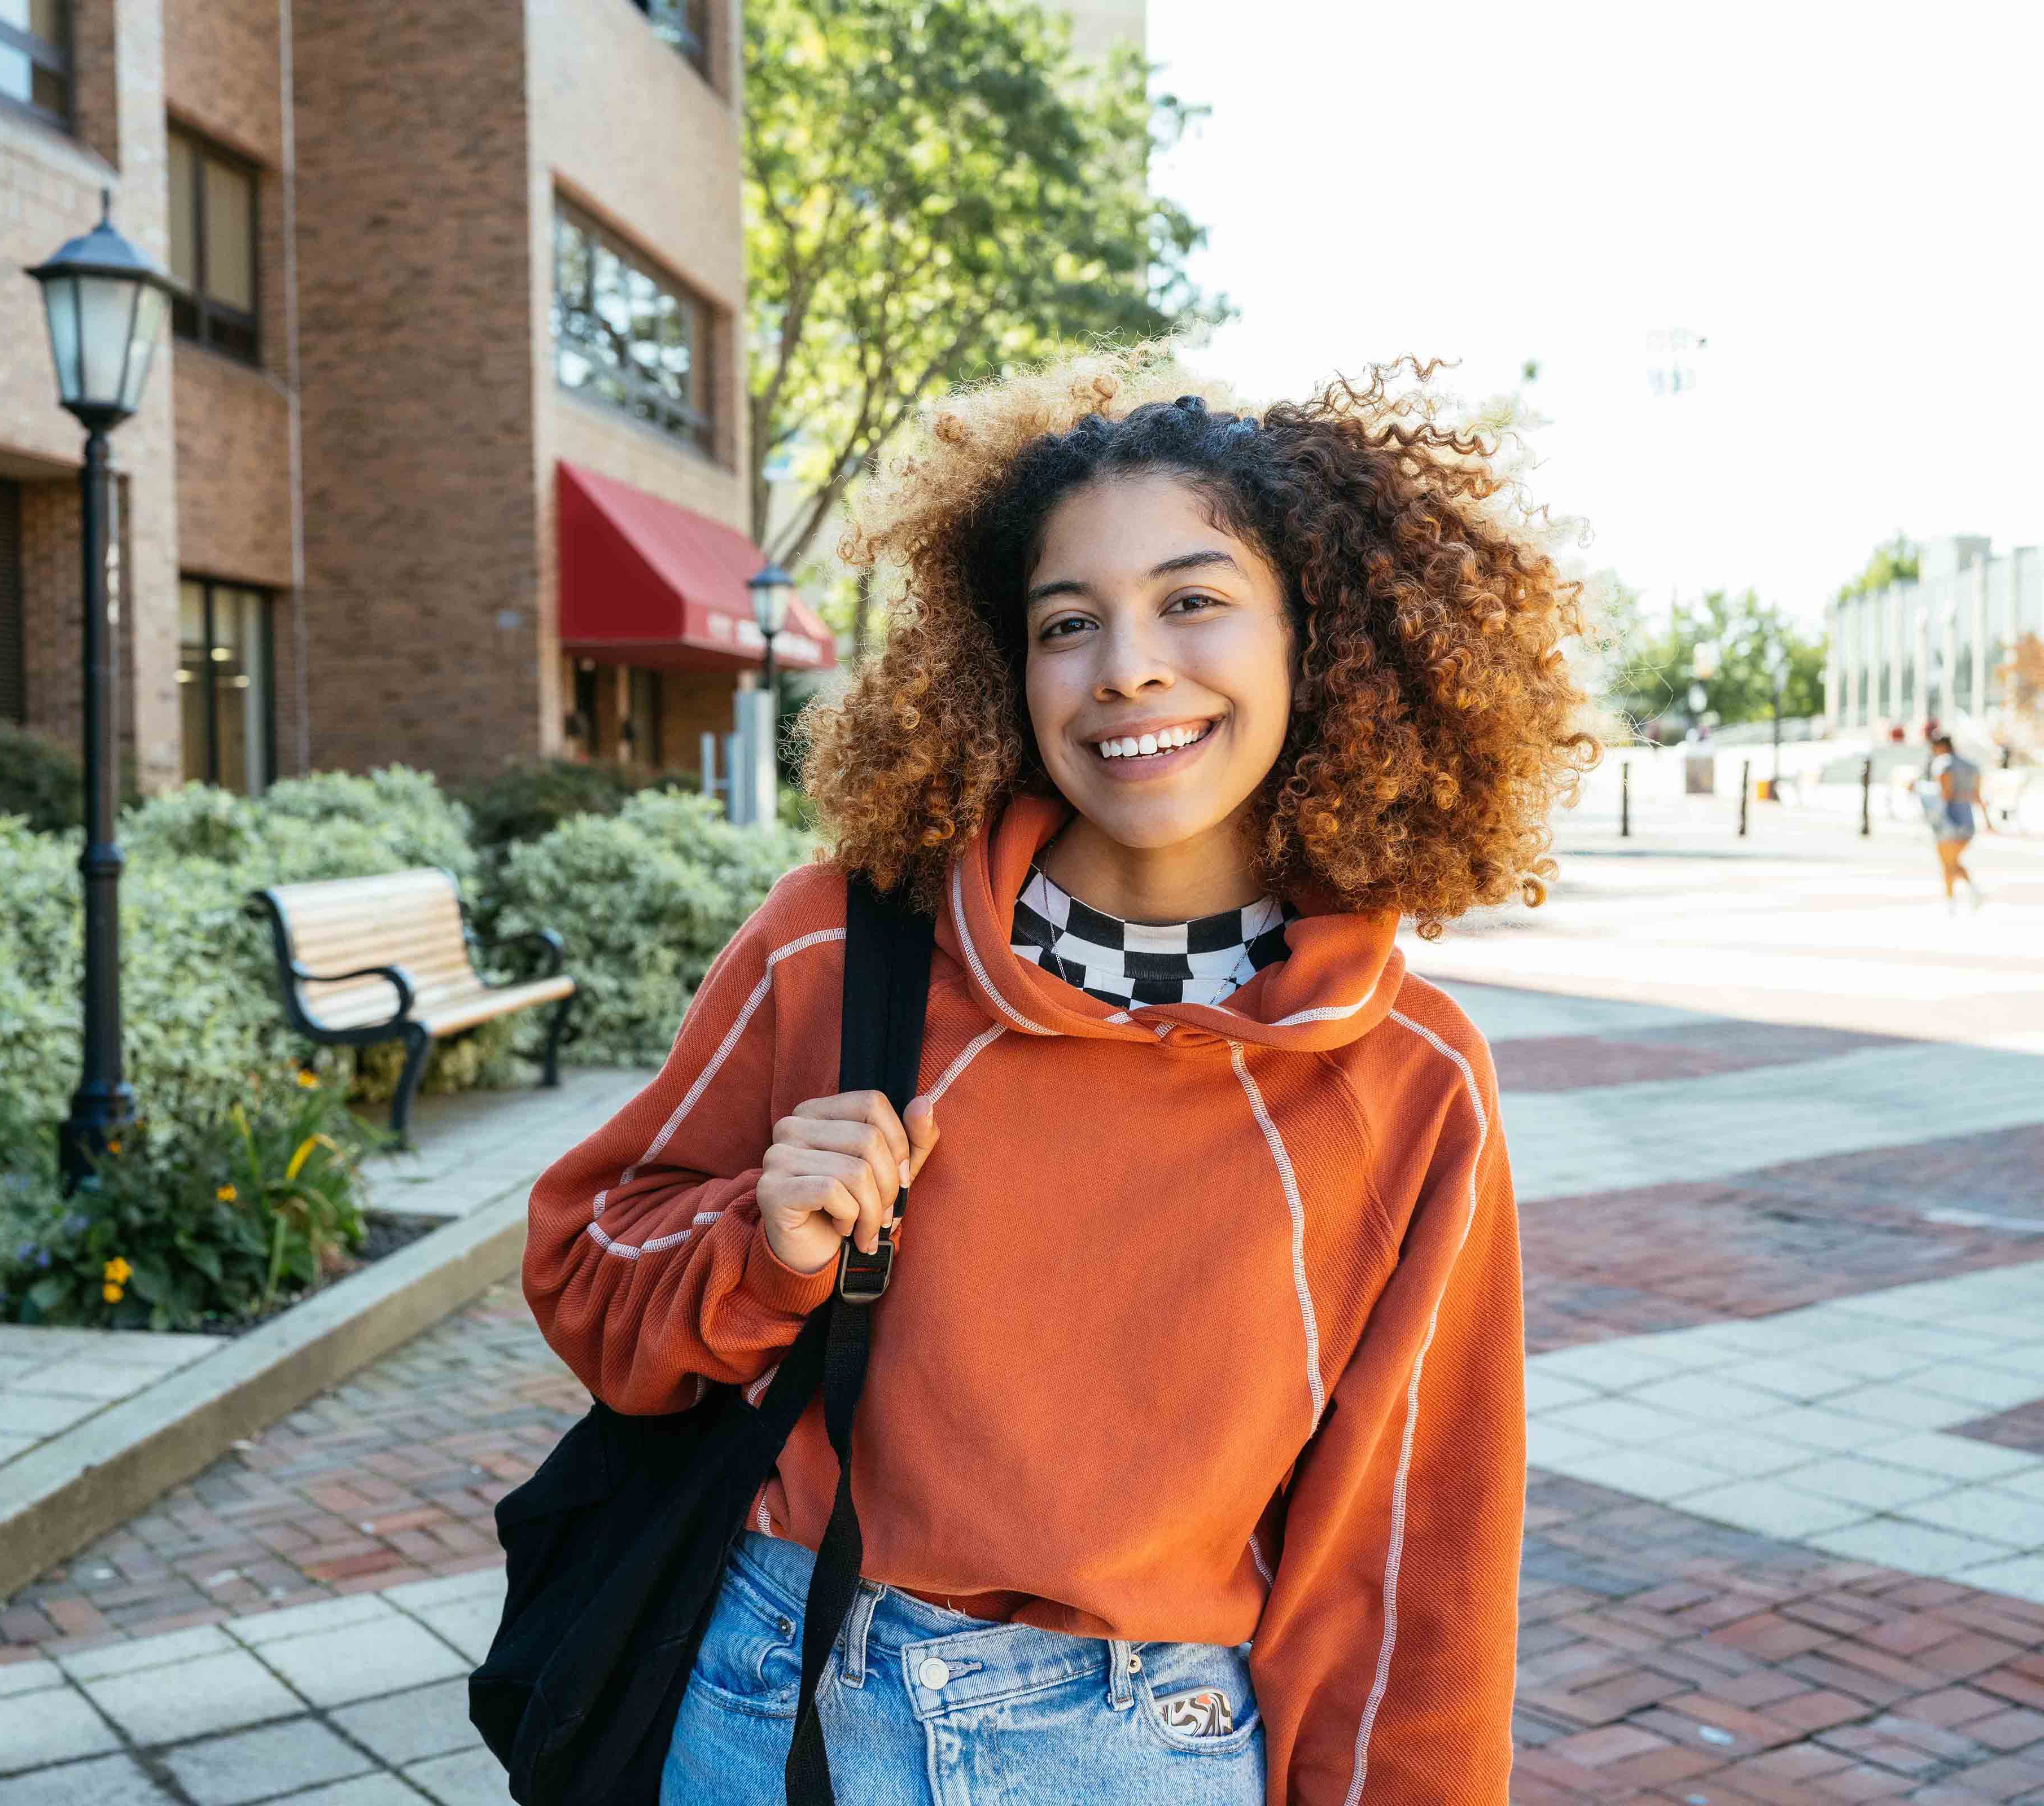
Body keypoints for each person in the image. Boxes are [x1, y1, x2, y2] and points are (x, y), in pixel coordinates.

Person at [523, 349, 1595, 1804]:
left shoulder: (1406, 1084)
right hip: (771, 1702)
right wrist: (757, 1254)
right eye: (1065, 621)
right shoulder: (836, 947)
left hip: (1136, 1747)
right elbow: (586, 1275)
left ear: (1318, 643)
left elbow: (1407, 1565)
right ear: (1002, 666)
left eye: (1192, 600)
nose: (1127, 666)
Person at [1927, 731, 1993, 909]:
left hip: (1948, 822)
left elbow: (1944, 795)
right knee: (1952, 861)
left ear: (1940, 747)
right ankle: (1968, 895)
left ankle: (1952, 902)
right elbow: (1978, 796)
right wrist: (1988, 822)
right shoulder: (1972, 766)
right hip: (1968, 822)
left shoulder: (1943, 764)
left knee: (1948, 863)